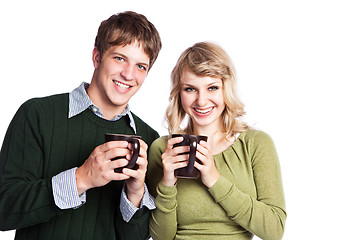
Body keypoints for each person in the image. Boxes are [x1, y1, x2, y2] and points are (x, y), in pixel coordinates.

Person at [0, 11, 161, 240]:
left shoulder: (148, 138)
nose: (128, 74)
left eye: (141, 66)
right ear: (97, 57)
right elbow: (4, 210)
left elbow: (135, 237)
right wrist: (81, 179)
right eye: (119, 58)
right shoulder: (38, 115)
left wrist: (135, 193)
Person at [147, 42, 286, 240]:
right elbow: (162, 237)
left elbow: (274, 230)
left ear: (226, 89)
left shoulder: (256, 144)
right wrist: (167, 183)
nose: (201, 101)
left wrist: (214, 179)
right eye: (190, 89)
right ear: (179, 93)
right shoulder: (163, 149)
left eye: (212, 88)